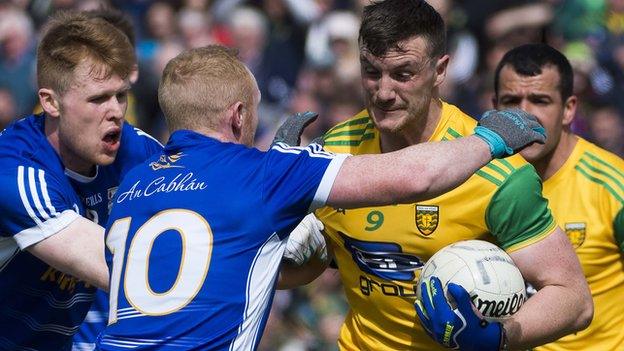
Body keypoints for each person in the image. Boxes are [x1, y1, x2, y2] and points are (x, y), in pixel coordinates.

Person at [95, 44, 545, 350]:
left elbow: (232, 269)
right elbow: (415, 176)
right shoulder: (265, 173)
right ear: (237, 116)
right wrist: (490, 139)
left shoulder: (133, 187)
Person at [309, 1, 593, 350]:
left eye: (403, 74)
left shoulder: (496, 171)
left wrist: (500, 337)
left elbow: (573, 299)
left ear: (440, 70)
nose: (383, 92)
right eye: (371, 72)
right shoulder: (331, 154)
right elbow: (307, 266)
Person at [0, 12, 161, 350]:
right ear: (50, 102)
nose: (116, 110)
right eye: (98, 98)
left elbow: (205, 190)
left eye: (121, 95)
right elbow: (126, 272)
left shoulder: (133, 147)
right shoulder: (16, 173)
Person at [493, 43, 624, 351]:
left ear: (568, 109)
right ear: (493, 107)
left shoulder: (613, 187)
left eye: (540, 100)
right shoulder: (475, 183)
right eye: (511, 101)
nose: (524, 115)